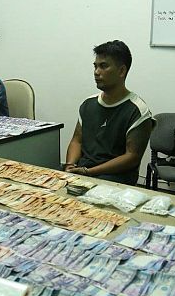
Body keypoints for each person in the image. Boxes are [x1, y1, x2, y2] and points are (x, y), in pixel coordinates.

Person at [65, 40, 153, 186]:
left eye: (103, 66)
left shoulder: (137, 110)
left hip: (114, 177)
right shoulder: (88, 104)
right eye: (95, 66)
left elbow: (132, 157)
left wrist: (89, 172)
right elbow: (77, 140)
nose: (96, 72)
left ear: (121, 71)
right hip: (83, 171)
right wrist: (69, 166)